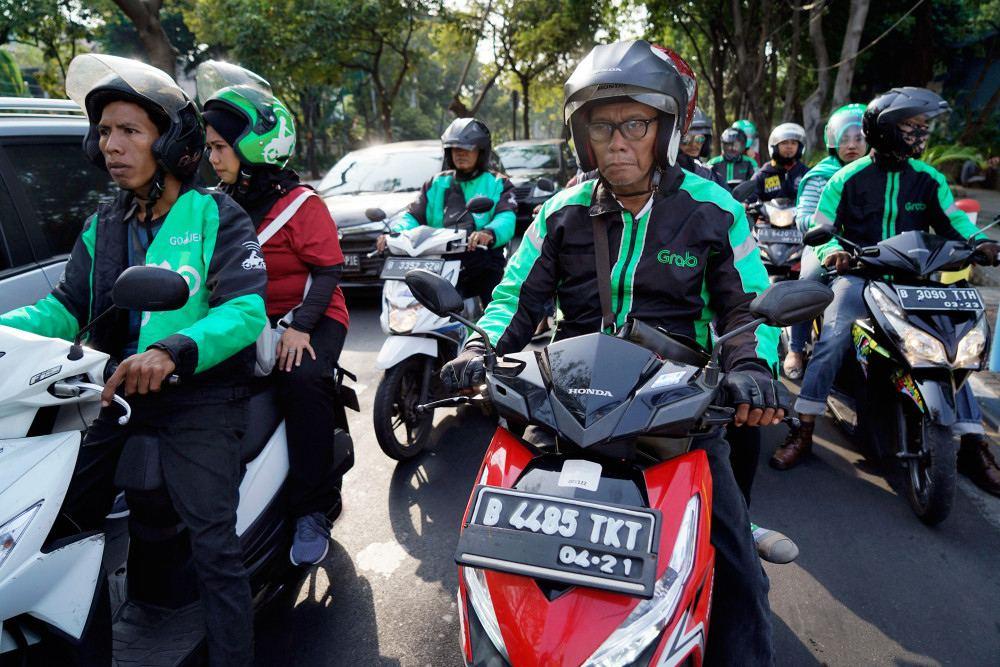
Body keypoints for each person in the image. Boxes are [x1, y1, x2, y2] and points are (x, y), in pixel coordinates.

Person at [443, 40, 782, 664]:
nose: (618, 142)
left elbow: (745, 308)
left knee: (737, 566)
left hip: (674, 411)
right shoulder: (560, 213)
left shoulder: (714, 211)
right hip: (564, 401)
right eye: (603, 126)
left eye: (635, 125)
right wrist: (478, 346)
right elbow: (515, 299)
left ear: (667, 130)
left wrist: (752, 368)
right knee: (493, 543)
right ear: (584, 136)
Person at [0, 54, 267, 665]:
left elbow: (245, 309)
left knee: (213, 545)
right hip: (111, 394)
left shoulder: (214, 214)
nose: (111, 145)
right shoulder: (105, 224)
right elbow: (65, 306)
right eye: (104, 132)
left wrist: (172, 352)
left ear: (170, 142)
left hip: (199, 396)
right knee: (60, 529)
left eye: (129, 131)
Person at [772, 88, 1000, 488]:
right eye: (912, 126)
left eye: (923, 127)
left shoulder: (929, 179)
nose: (921, 135)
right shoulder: (846, 178)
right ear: (885, 129)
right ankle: (804, 427)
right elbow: (820, 226)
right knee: (834, 336)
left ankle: (973, 444)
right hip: (859, 276)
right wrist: (831, 252)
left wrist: (980, 243)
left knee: (955, 345)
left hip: (915, 281)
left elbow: (956, 223)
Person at [197, 61, 351, 565]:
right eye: (210, 147)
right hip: (246, 319)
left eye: (220, 147)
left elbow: (327, 271)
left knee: (300, 380)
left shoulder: (302, 204)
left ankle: (312, 508)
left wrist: (300, 328)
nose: (212, 158)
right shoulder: (217, 204)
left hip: (311, 315)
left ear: (255, 147)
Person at [376, 117, 516, 305]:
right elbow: (413, 215)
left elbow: (506, 217)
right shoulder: (435, 183)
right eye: (455, 149)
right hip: (436, 259)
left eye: (467, 148)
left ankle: (492, 324)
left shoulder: (498, 182)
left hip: (481, 258)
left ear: (481, 151)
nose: (460, 154)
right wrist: (393, 234)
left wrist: (488, 233)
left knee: (495, 305)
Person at [782, 104, 867, 380]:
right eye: (845, 139)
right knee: (810, 281)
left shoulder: (879, 173)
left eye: (859, 138)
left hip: (871, 247)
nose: (851, 145)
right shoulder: (822, 175)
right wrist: (829, 228)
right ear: (833, 141)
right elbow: (805, 217)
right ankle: (796, 348)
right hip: (826, 245)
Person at [749, 122, 809, 203]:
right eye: (784, 143)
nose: (789, 146)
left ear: (800, 148)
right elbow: (750, 199)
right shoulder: (763, 175)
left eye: (793, 143)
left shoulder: (806, 174)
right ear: (775, 147)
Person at [679, 106, 726, 186]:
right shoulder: (664, 171)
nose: (693, 144)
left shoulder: (710, 174)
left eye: (699, 139)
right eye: (686, 140)